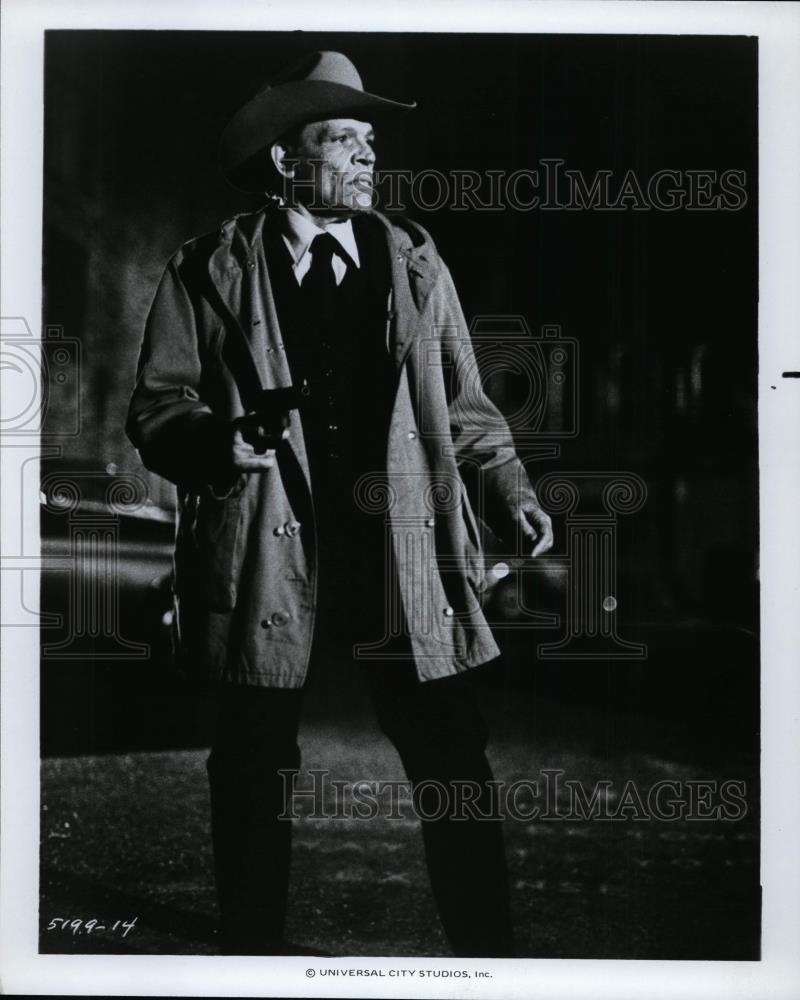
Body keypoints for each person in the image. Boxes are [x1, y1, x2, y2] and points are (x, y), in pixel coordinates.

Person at [126, 50, 553, 957]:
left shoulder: (414, 261)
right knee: (252, 764)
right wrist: (215, 442)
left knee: (450, 756)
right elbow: (160, 405)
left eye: (369, 141)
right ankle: (251, 957)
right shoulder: (208, 268)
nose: (366, 158)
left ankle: (491, 959)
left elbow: (466, 404)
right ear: (287, 159)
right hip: (264, 552)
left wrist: (509, 489)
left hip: (400, 551)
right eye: (342, 139)